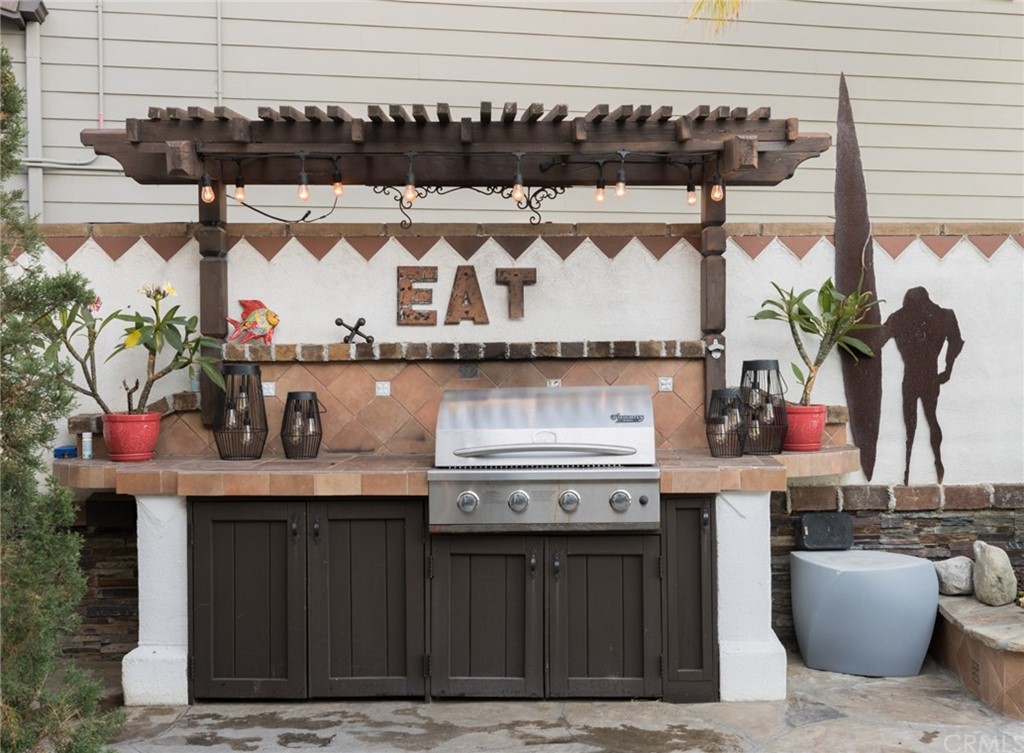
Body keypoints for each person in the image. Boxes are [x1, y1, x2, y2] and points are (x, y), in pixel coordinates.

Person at [880, 287, 964, 486]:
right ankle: (919, 467)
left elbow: (877, 341)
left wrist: (948, 369)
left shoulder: (900, 318)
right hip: (925, 376)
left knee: (921, 422)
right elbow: (956, 342)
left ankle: (917, 468)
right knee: (925, 420)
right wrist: (947, 370)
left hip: (919, 377)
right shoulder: (943, 316)